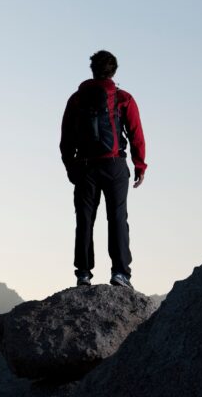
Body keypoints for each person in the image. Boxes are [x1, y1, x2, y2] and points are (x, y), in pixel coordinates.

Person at [60, 50, 147, 289]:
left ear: (93, 69)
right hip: (114, 165)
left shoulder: (76, 99)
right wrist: (140, 164)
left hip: (86, 166)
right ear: (114, 71)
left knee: (85, 219)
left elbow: (66, 136)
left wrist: (70, 166)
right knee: (117, 217)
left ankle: (84, 274)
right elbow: (136, 133)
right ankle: (120, 273)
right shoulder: (123, 97)